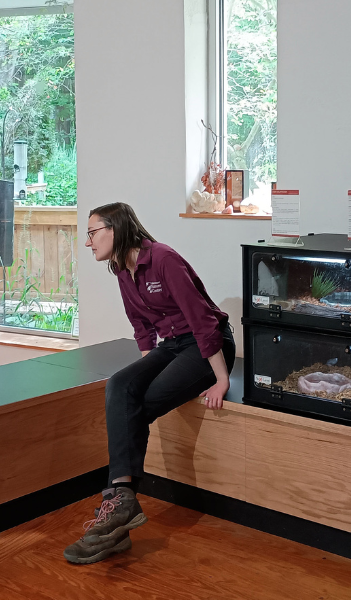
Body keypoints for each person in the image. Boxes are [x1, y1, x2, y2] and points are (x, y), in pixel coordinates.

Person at [64, 202, 236, 564]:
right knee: (120, 387)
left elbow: (203, 321)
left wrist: (222, 379)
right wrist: (145, 372)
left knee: (141, 403)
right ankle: (121, 504)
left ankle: (116, 510)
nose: (88, 241)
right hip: (173, 347)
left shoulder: (162, 259)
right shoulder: (121, 270)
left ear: (115, 229)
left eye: (92, 232)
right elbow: (141, 328)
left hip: (207, 347)